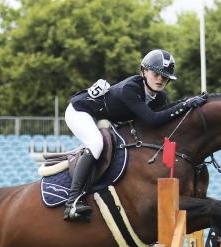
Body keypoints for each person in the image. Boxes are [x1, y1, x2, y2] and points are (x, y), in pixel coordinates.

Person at [63, 49, 207, 222]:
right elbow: (152, 120)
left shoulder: (160, 98)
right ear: (144, 71)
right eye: (156, 74)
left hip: (105, 118)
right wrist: (186, 104)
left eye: (165, 77)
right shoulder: (130, 89)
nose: (161, 79)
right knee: (96, 143)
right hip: (80, 111)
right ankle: (72, 202)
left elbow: (162, 129)